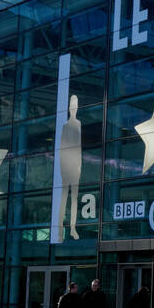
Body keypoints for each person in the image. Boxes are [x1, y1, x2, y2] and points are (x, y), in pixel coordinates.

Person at [58, 94, 82, 241]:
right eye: (72, 105)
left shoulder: (78, 124)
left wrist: (79, 166)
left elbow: (79, 146)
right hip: (66, 168)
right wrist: (63, 168)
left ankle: (72, 228)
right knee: (63, 198)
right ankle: (60, 231)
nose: (74, 108)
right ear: (69, 108)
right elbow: (61, 148)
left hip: (75, 168)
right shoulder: (65, 126)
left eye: (76, 105)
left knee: (74, 199)